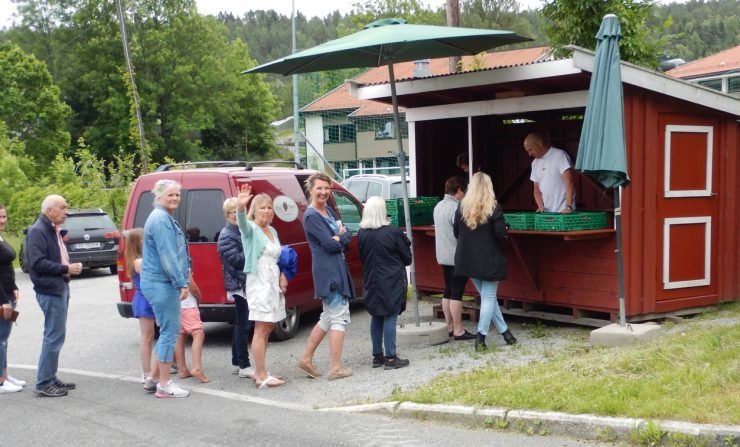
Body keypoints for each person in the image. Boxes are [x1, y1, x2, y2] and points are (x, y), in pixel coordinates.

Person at [296, 173, 355, 381]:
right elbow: (331, 245)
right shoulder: (312, 216)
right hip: (328, 271)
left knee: (328, 316)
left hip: (336, 268)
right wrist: (341, 236)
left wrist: (340, 236)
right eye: (319, 188)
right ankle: (335, 368)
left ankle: (305, 359)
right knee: (339, 317)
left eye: (326, 188)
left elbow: (345, 236)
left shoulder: (328, 210)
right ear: (310, 190)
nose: (323, 192)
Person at [26, 195, 83, 397]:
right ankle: (43, 383)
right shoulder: (38, 231)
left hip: (59, 287)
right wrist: (65, 268)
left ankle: (50, 377)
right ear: (49, 210)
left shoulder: (51, 228)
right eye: (62, 207)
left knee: (56, 335)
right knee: (53, 336)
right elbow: (38, 263)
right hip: (50, 289)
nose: (66, 211)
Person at [454, 172, 517, 350]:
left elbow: (456, 233)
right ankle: (481, 337)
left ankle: (506, 334)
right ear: (488, 187)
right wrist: (505, 230)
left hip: (467, 260)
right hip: (489, 260)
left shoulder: (461, 207)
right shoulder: (494, 208)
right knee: (489, 297)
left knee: (488, 297)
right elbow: (500, 235)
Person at [140, 179, 191, 398]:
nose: (174, 198)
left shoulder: (162, 217)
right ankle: (164, 384)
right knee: (170, 332)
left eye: (177, 194)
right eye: (170, 194)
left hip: (158, 282)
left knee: (166, 332)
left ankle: (152, 379)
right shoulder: (161, 219)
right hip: (162, 283)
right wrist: (181, 282)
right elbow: (168, 255)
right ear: (158, 196)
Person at [236, 184, 287, 388]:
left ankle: (260, 370)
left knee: (268, 327)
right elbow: (242, 223)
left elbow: (278, 257)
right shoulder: (251, 230)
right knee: (260, 327)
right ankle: (261, 375)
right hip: (259, 281)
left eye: (269, 207)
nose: (266, 211)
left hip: (272, 280)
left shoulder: (272, 230)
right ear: (254, 210)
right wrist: (240, 206)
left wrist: (283, 274)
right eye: (262, 207)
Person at [358, 197, 412, 370]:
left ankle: (377, 355)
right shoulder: (392, 232)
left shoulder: (362, 233)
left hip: (371, 278)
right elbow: (407, 258)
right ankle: (391, 357)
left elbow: (361, 256)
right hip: (391, 279)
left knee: (376, 315)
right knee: (390, 315)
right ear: (382, 211)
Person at [433, 176, 475, 341]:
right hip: (457, 255)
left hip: (442, 255)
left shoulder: (438, 207)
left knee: (448, 290)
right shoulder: (457, 209)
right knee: (457, 293)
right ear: (458, 191)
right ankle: (458, 329)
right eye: (464, 191)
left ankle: (449, 325)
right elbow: (462, 234)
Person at [217, 197, 254, 379]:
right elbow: (237, 260)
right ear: (226, 215)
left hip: (243, 283)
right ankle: (244, 366)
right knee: (244, 325)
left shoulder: (240, 231)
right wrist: (252, 250)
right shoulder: (226, 235)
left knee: (242, 323)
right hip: (239, 285)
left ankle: (235, 361)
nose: (236, 215)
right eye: (232, 212)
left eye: (238, 212)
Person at [124, 228, 157, 386]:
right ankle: (146, 372)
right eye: (144, 238)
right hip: (144, 300)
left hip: (148, 298)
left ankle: (154, 369)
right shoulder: (139, 261)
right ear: (139, 242)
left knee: (152, 335)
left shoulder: (143, 258)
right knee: (147, 336)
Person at [0, 204, 24, 393]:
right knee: (0, 338)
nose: (2, 220)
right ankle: (0, 381)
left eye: (4, 216)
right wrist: (3, 300)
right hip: (2, 299)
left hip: (8, 295)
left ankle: (5, 374)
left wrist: (14, 288)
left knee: (4, 338)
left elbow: (6, 269)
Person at [523, 132, 575, 213]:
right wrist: (540, 205)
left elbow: (569, 182)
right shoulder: (534, 163)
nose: (529, 154)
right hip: (547, 214)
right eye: (527, 151)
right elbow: (536, 190)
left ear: (540, 143)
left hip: (564, 212)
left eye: (530, 149)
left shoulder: (559, 155)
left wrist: (568, 206)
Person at [175, 275, 209, 383]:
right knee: (198, 334)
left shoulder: (168, 260)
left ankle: (182, 369)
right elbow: (192, 285)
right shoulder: (183, 260)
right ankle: (197, 368)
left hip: (175, 304)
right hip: (188, 304)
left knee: (180, 335)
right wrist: (198, 297)